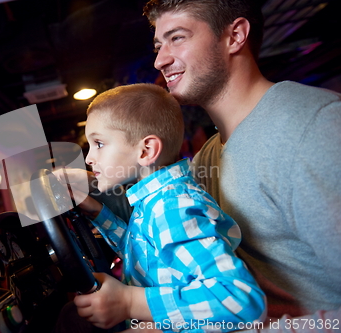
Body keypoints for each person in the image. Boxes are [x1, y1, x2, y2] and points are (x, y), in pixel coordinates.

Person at [143, 0, 341, 331]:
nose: (160, 59)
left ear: (235, 36)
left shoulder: (312, 128)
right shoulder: (208, 154)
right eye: (159, 44)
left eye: (177, 38)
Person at [55, 83, 266, 333]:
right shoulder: (155, 200)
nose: (89, 158)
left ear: (146, 151)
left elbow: (242, 301)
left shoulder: (172, 206)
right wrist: (97, 213)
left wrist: (128, 302)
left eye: (99, 144)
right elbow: (146, 251)